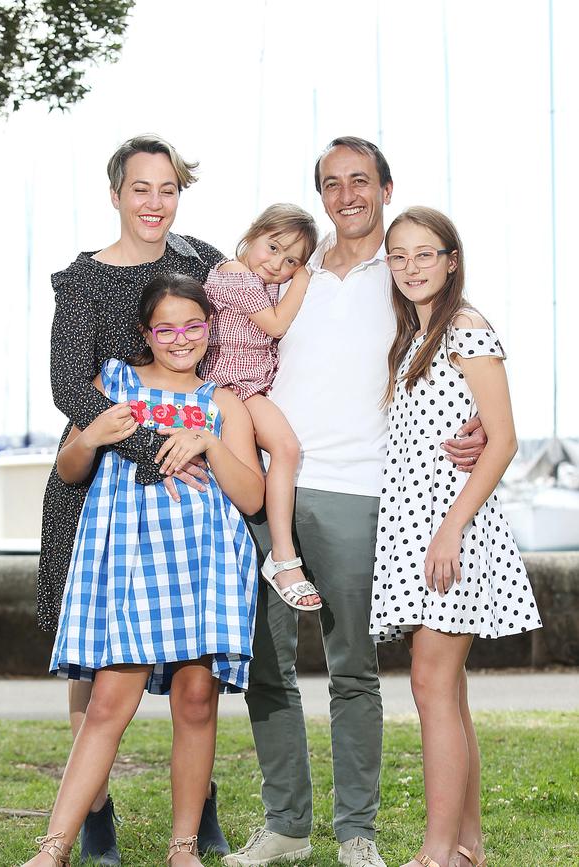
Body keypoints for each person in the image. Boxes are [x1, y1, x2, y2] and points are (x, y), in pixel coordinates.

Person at [224, 138, 488, 867]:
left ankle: (355, 832)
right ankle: (285, 825)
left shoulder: (402, 274)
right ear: (321, 195)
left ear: (385, 186)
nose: (348, 194)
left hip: (360, 491)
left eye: (361, 180)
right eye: (333, 183)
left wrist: (481, 422)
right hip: (268, 486)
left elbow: (461, 337)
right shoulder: (288, 275)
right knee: (266, 665)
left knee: (353, 669)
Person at [24, 275, 264, 867]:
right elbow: (72, 468)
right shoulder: (115, 382)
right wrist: (96, 434)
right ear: (145, 333)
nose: (180, 339)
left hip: (203, 561)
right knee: (108, 700)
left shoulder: (223, 401)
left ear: (210, 327)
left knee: (196, 697)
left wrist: (208, 441)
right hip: (130, 560)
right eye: (165, 328)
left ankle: (183, 847)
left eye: (193, 326)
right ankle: (53, 847)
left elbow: (253, 497)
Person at [38, 135, 231, 861]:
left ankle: (201, 805)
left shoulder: (203, 261)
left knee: (194, 665)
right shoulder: (85, 279)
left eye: (168, 188)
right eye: (141, 188)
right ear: (116, 192)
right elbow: (69, 383)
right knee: (93, 660)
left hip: (193, 481)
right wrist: (149, 449)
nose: (155, 202)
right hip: (102, 475)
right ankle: (94, 812)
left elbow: (248, 342)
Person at [370, 207, 541, 867]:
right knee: (447, 687)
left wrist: (449, 531)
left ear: (451, 259)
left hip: (454, 530)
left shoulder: (466, 328)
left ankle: (437, 852)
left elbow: (503, 440)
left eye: (425, 253)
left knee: (430, 681)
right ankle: (467, 846)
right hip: (420, 527)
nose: (412, 266)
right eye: (400, 255)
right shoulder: (412, 339)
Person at [199, 203, 321, 612]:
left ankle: (282, 557)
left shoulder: (261, 279)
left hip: (251, 388)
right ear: (253, 235)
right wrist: (303, 278)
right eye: (272, 248)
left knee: (286, 449)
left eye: (291, 261)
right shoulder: (233, 273)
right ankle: (272, 558)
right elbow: (275, 325)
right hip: (225, 386)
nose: (277, 264)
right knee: (248, 480)